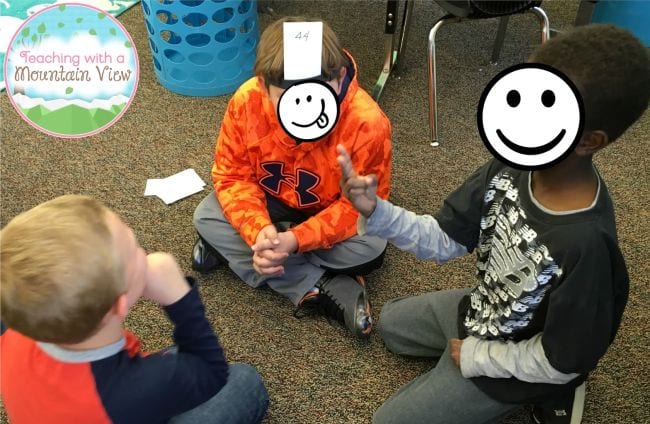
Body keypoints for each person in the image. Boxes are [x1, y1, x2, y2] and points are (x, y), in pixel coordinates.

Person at [338, 24, 649, 423]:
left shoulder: (585, 245)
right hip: (484, 310)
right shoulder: (513, 162)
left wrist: (476, 356)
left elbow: (562, 358)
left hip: (526, 359)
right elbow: (444, 239)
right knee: (392, 325)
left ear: (589, 141)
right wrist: (376, 211)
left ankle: (554, 395)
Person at [192, 17, 392, 338]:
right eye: (286, 96)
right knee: (206, 214)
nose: (303, 110)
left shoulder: (368, 123)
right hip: (271, 201)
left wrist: (294, 240)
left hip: (329, 211)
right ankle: (319, 285)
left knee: (372, 245)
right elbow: (232, 176)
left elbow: (360, 208)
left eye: (316, 93)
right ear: (262, 86)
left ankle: (240, 254)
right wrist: (259, 230)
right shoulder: (246, 101)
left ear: (340, 78)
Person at [0, 195, 269, 424]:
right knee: (245, 381)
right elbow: (212, 372)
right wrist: (179, 298)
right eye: (134, 248)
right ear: (120, 303)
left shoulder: (14, 320)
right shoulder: (133, 388)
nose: (145, 252)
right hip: (116, 404)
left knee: (174, 363)